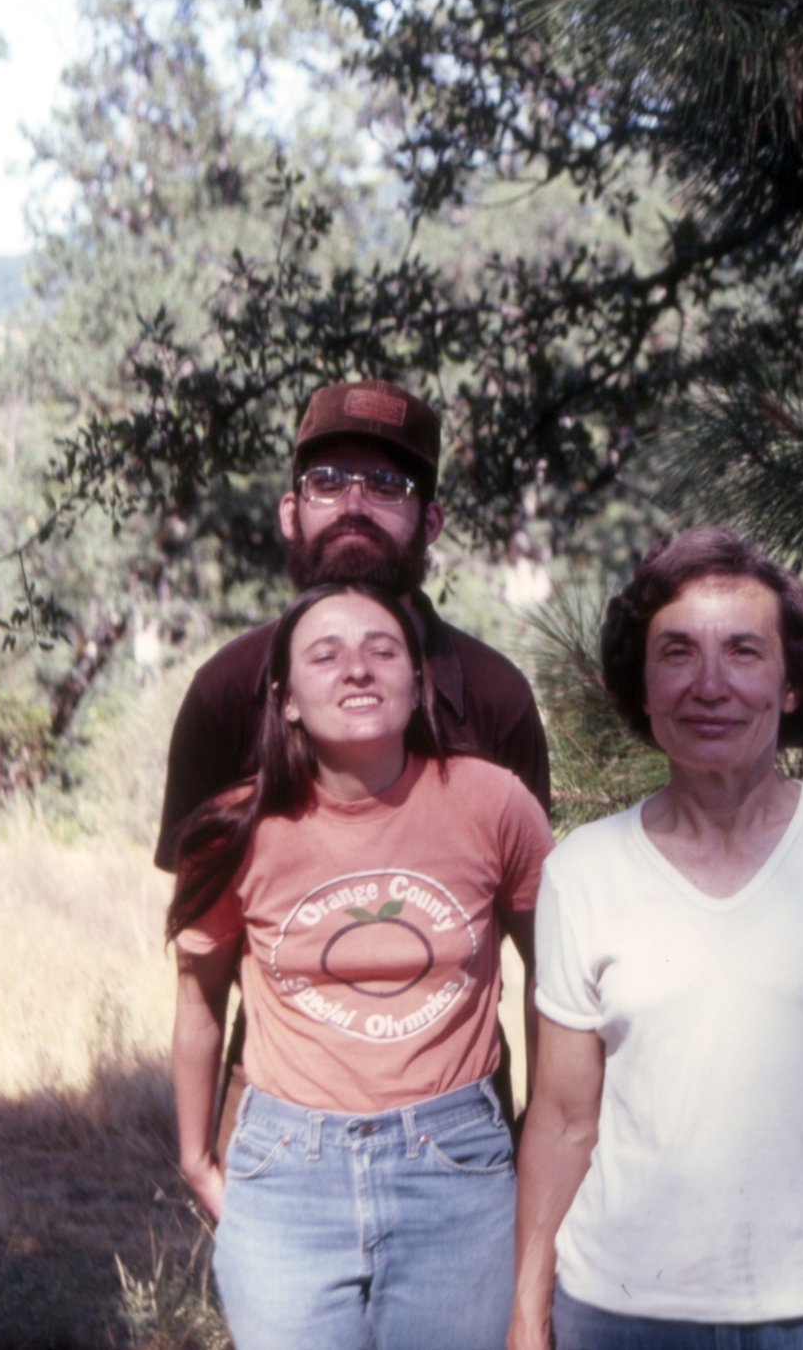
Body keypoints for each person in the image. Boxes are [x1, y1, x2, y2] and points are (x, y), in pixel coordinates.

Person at [509, 528, 803, 1350]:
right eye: (677, 652)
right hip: (622, 1313)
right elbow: (563, 1119)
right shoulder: (583, 870)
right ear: (642, 686)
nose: (710, 685)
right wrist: (527, 1311)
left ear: (791, 682)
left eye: (744, 651)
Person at [153, 379, 551, 1133]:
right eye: (328, 481)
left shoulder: (496, 698)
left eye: (388, 485)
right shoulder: (226, 693)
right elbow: (201, 968)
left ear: (431, 520)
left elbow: (541, 954)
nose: (355, 503)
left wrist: (541, 1127)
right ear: (291, 511)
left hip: (460, 1122)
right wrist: (203, 1150)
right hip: (272, 1115)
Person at [169, 582, 553, 1350]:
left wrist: (538, 1127)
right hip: (286, 1170)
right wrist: (196, 1159)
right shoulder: (232, 829)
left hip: (456, 1164)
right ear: (285, 698)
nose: (357, 668)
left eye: (383, 651)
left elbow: (556, 976)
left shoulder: (495, 804)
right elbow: (198, 1000)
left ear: (418, 683)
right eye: (326, 654)